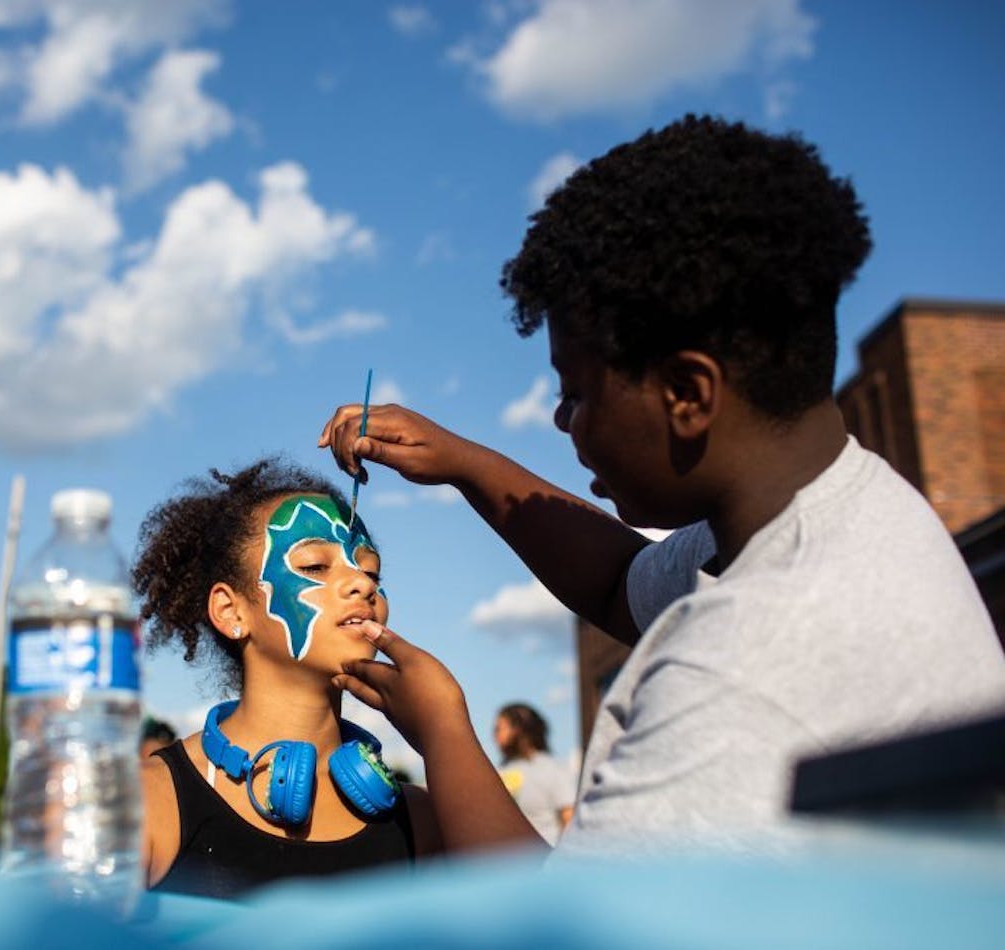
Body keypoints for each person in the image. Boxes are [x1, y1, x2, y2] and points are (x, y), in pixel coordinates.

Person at [320, 114, 1005, 855]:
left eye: (576, 392)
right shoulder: (842, 509)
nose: (559, 418)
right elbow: (621, 586)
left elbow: (566, 935)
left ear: (687, 393)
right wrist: (461, 461)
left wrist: (443, 731)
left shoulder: (754, 662)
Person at [132, 459, 442, 899]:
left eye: (372, 572)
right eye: (315, 566)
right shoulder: (144, 802)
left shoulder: (422, 820)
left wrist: (445, 725)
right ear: (230, 611)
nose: (361, 582)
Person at [494, 703, 575, 846]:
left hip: (545, 862)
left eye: (499, 728)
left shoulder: (552, 768)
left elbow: (569, 819)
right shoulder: (499, 771)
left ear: (518, 729)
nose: (495, 734)